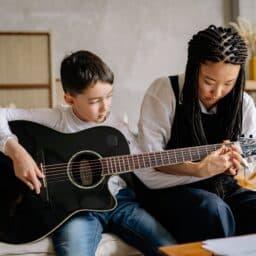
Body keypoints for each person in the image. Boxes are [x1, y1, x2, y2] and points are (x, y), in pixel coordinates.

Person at [0, 50, 175, 255]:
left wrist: (196, 169)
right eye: (95, 101)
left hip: (120, 202)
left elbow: (145, 166)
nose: (105, 107)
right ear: (70, 99)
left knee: (172, 248)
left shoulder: (117, 124)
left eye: (109, 96)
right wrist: (16, 151)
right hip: (74, 212)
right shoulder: (57, 118)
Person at [134, 25, 256, 243]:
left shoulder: (244, 104)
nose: (217, 93)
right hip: (170, 189)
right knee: (213, 210)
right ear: (193, 68)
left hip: (221, 187)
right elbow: (149, 158)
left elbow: (250, 153)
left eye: (228, 83)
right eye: (209, 82)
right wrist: (199, 169)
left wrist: (238, 161)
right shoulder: (164, 91)